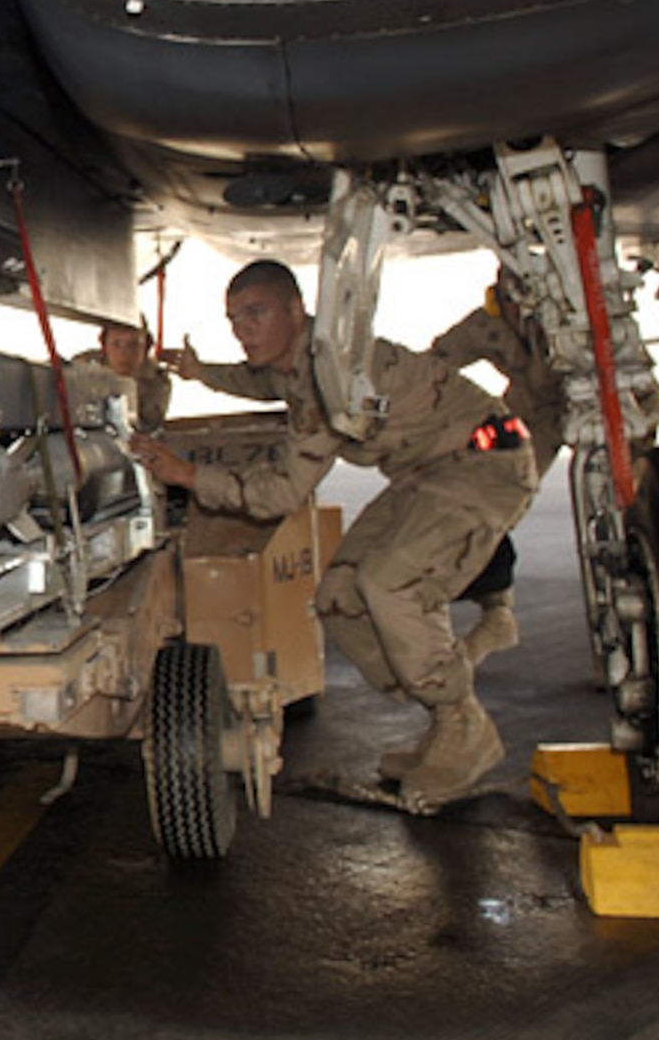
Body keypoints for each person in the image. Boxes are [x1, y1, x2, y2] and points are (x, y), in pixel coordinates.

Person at [132, 260, 537, 810]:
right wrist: (203, 372)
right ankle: (441, 715)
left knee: (390, 584)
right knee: (340, 598)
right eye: (233, 319)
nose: (242, 329)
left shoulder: (333, 377)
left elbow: (278, 494)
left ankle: (463, 723)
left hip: (483, 466)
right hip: (428, 474)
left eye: (255, 313)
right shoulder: (297, 361)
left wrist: (186, 475)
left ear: (296, 311)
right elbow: (260, 380)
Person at [427, 269, 570, 664]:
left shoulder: (571, 312)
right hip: (533, 414)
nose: (518, 308)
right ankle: (497, 612)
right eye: (511, 298)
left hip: (587, 402)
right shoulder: (488, 324)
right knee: (490, 505)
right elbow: (435, 365)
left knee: (643, 498)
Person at [73, 318, 171, 430]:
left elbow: (147, 426)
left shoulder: (156, 380)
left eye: (134, 345)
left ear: (146, 348)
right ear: (104, 346)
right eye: (116, 344)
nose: (124, 353)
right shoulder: (84, 365)